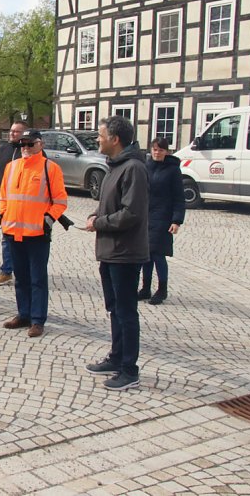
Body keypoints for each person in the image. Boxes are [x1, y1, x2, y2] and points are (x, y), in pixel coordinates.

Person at [85, 116, 149, 391]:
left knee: (126, 312)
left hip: (125, 253)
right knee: (114, 308)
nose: (97, 139)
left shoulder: (133, 168)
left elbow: (131, 213)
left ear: (115, 139)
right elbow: (111, 205)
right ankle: (116, 357)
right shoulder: (115, 166)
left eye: (100, 135)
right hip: (110, 251)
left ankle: (129, 370)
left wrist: (99, 223)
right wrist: (96, 214)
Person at [0, 130, 68, 337]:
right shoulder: (11, 167)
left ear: (40, 144)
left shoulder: (50, 168)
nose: (26, 148)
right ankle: (24, 314)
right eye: (23, 144)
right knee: (20, 278)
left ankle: (37, 320)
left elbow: (60, 201)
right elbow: (3, 196)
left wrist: (47, 220)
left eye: (30, 144)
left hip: (37, 234)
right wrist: (3, 215)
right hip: (13, 231)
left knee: (37, 279)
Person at [138, 137, 185, 305]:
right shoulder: (146, 166)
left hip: (163, 217)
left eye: (161, 150)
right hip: (146, 216)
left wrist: (176, 220)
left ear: (167, 151)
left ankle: (162, 289)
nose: (157, 153)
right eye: (155, 149)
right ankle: (145, 288)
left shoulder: (173, 170)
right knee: (146, 255)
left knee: (158, 254)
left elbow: (179, 198)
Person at [0, 120, 29, 285]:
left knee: (25, 239)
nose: (12, 133)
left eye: (16, 131)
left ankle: (24, 269)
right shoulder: (4, 149)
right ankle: (6, 271)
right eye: (11, 131)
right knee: (7, 236)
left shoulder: (29, 150)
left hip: (26, 204)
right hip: (5, 201)